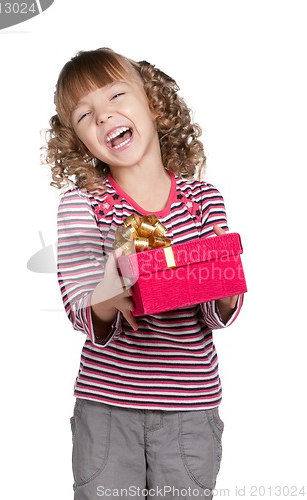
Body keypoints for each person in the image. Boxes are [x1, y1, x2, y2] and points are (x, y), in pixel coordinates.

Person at [43, 48, 244, 500]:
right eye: (84, 114)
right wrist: (107, 295)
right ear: (77, 141)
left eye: (117, 94)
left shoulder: (202, 199)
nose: (104, 115)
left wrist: (225, 285)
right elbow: (79, 305)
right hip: (109, 410)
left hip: (191, 412)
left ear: (153, 102)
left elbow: (217, 313)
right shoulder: (84, 205)